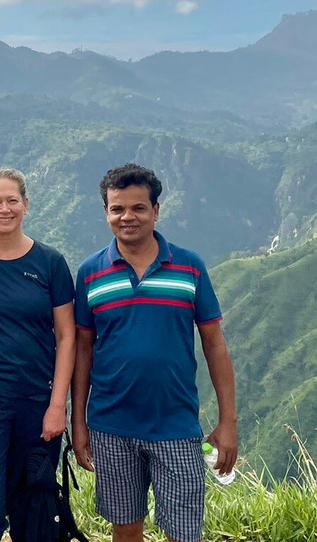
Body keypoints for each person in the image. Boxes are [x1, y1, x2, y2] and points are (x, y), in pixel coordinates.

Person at [71, 163, 237, 542]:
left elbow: (214, 343)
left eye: (138, 208)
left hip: (176, 425)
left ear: (156, 211)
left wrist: (228, 422)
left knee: (183, 531)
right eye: (117, 209)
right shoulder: (91, 273)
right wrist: (77, 422)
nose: (127, 217)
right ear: (106, 213)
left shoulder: (189, 267)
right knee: (125, 527)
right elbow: (82, 350)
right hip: (111, 425)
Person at [0, 167, 75, 542]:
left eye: (12, 201)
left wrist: (58, 405)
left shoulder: (50, 263)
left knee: (34, 505)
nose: (4, 209)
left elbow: (67, 335)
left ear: (26, 204)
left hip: (37, 401)